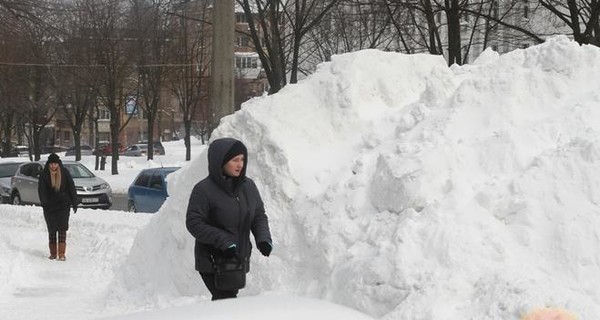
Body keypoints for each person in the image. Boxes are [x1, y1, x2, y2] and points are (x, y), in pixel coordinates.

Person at [186, 138, 273, 300]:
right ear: (221, 161)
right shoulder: (204, 190)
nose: (240, 164)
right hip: (214, 261)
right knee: (225, 301)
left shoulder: (248, 187)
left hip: (238, 258)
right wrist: (223, 241)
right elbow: (194, 222)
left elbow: (258, 215)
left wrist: (263, 238)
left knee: (226, 304)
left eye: (242, 159)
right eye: (235, 160)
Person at [38, 153, 78, 261]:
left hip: (63, 206)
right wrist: (45, 203)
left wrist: (74, 202)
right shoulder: (44, 174)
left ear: (58, 163)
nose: (53, 166)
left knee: (62, 229)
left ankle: (61, 253)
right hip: (50, 207)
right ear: (49, 164)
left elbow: (71, 187)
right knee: (52, 229)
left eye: (55, 164)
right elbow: (42, 191)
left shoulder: (64, 172)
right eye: (51, 164)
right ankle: (53, 253)